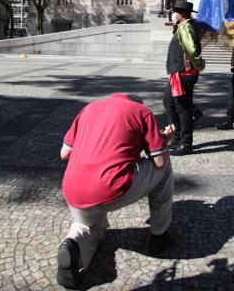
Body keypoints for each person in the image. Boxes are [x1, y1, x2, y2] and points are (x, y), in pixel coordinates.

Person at [57, 93, 175, 290]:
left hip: (73, 190)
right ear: (137, 103)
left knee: (90, 226)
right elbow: (159, 162)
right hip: (111, 187)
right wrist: (162, 142)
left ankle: (72, 249)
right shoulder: (142, 112)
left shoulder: (89, 108)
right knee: (165, 166)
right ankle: (160, 234)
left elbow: (64, 154)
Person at [163, 0, 205, 156]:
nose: (173, 14)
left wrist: (198, 64)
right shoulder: (181, 27)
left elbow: (191, 50)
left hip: (184, 73)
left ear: (180, 14)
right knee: (169, 102)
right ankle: (178, 136)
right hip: (177, 72)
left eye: (175, 11)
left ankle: (186, 143)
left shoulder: (186, 27)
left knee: (183, 108)